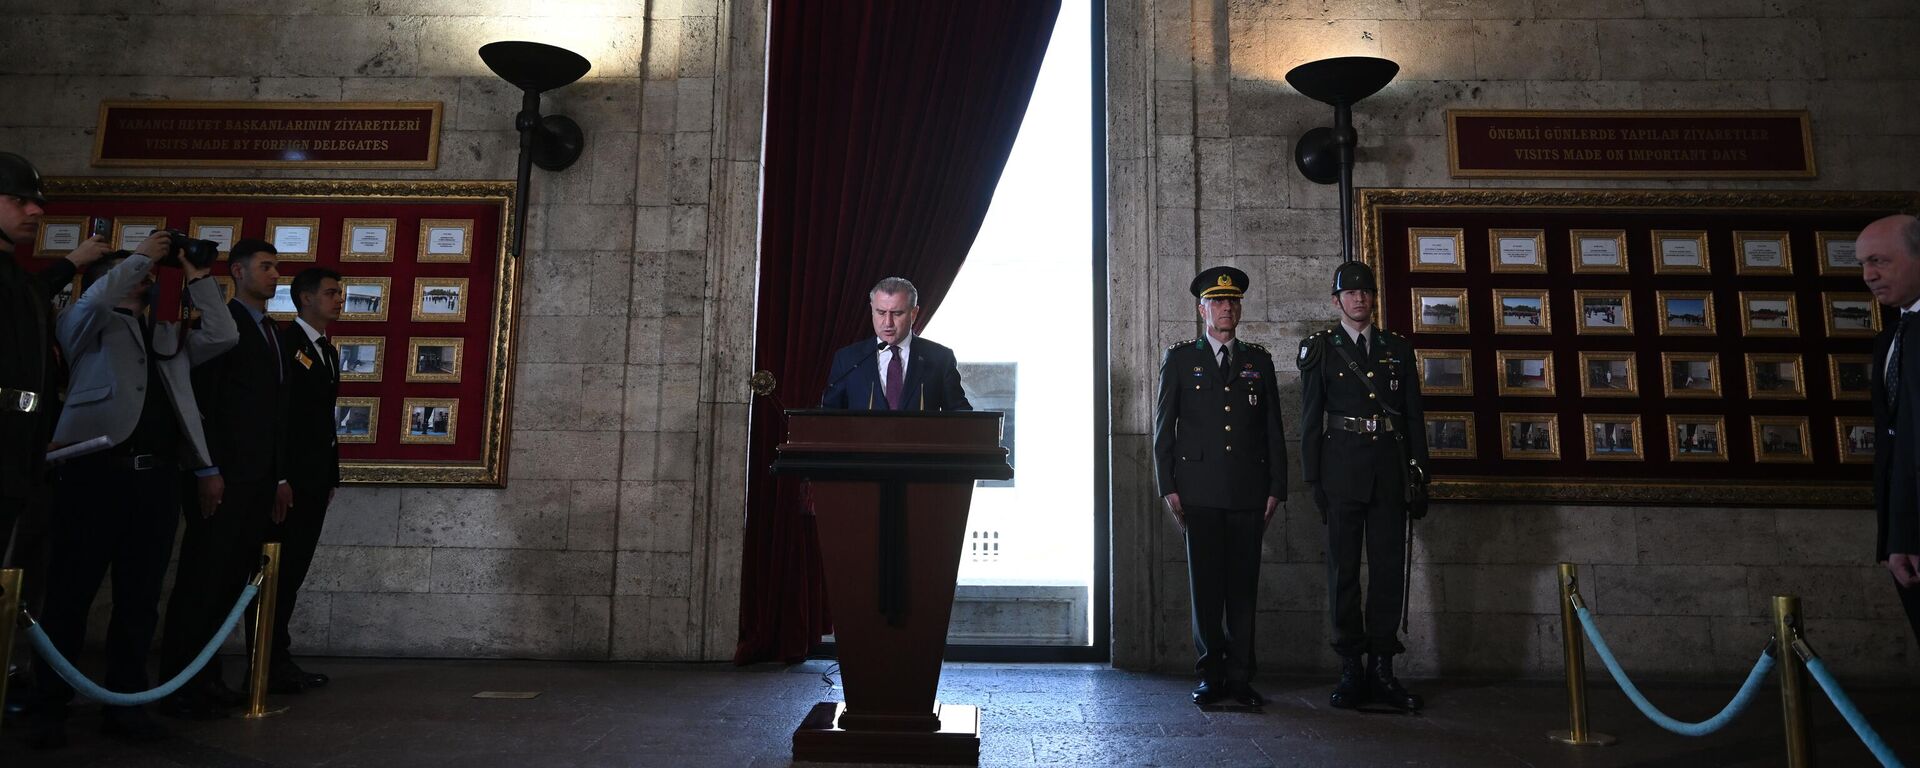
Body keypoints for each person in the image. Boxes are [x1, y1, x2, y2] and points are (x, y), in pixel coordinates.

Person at [30, 239, 236, 747]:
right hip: (93, 472)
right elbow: (98, 299)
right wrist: (141, 256)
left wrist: (198, 277)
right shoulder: (82, 322)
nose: (147, 278)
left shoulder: (166, 332)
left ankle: (125, 704)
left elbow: (224, 334)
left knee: (140, 600)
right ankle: (49, 706)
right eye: (134, 273)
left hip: (157, 480)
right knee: (70, 594)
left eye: (147, 272)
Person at [157, 239, 291, 719]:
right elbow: (205, 406)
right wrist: (206, 469)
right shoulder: (224, 326)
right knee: (202, 581)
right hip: (223, 477)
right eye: (266, 266)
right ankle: (179, 683)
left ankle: (208, 678)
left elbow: (273, 415)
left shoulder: (272, 331)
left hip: (257, 479)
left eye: (278, 266)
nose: (276, 275)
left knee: (231, 582)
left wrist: (278, 478)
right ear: (237, 270)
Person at [1152, 266, 1286, 708]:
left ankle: (1240, 676)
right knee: (1206, 588)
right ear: (1201, 308)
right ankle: (1211, 674)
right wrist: (1168, 486)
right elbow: (1163, 431)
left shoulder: (1257, 361)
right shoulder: (1180, 359)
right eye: (1217, 301)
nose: (1226, 308)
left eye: (1232, 302)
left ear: (1239, 309)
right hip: (1198, 491)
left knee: (1243, 589)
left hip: (1248, 491)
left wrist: (1276, 488)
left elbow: (1272, 431)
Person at [1298, 260, 1428, 711]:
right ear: (1336, 301)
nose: (1360, 299)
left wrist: (1419, 473)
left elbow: (1412, 417)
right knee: (1345, 574)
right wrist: (1313, 478)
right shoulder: (1321, 349)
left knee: (1389, 572)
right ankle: (1351, 667)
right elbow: (1310, 419)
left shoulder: (1396, 348)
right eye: (1350, 293)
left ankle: (1383, 668)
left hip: (1388, 474)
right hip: (1340, 473)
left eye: (1366, 292)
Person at [0, 152, 109, 560]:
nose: (35, 210)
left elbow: (30, 293)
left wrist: (72, 262)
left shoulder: (16, 278)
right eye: (18, 199)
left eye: (38, 202)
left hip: (20, 454)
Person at [269, 267, 344, 693]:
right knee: (278, 573)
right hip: (290, 482)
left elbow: (323, 424)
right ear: (305, 299)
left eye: (341, 292)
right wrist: (280, 475)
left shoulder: (326, 351)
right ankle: (269, 659)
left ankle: (279, 657)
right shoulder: (287, 344)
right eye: (332, 293)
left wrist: (330, 477)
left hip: (314, 480)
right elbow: (280, 418)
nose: (340, 299)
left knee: (293, 573)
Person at [1861, 212, 1920, 650]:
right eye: (1863, 264)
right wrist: (1896, 538)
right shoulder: (1891, 337)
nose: (1869, 275)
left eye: (1879, 260)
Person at [820, 277, 971, 411]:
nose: (887, 323)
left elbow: (960, 415)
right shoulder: (848, 359)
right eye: (881, 312)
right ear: (872, 310)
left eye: (897, 313)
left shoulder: (940, 358)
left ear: (914, 314)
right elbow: (829, 415)